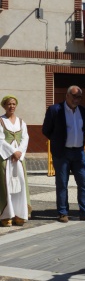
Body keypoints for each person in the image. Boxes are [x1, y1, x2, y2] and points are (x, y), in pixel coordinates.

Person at [42, 86, 85, 223]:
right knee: (62, 183)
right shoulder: (55, 110)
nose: (76, 99)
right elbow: (46, 130)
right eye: (74, 96)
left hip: (79, 152)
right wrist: (57, 142)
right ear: (67, 96)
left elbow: (83, 130)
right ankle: (62, 212)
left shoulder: (83, 111)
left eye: (79, 97)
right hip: (62, 153)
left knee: (84, 182)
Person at [0, 95, 31, 227]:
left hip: (18, 158)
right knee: (6, 185)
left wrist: (19, 153)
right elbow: (0, 139)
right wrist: (12, 152)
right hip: (5, 157)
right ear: (4, 106)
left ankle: (19, 214)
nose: (11, 106)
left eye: (13, 104)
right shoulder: (1, 121)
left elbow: (25, 138)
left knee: (20, 185)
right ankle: (6, 215)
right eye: (9, 104)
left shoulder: (21, 121)